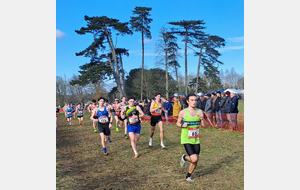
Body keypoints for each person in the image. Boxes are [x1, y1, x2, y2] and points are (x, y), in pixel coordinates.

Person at [176, 93, 205, 183]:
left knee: (195, 161)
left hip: (196, 139)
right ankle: (184, 157)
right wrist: (182, 125)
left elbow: (204, 126)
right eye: (192, 100)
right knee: (194, 158)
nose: (194, 102)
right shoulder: (183, 112)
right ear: (187, 101)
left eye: (195, 100)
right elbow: (177, 123)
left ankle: (188, 176)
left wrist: (202, 119)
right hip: (186, 139)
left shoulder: (200, 112)